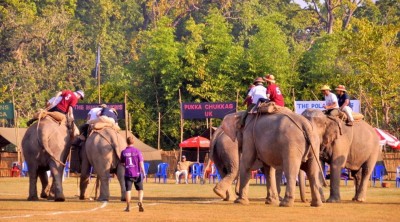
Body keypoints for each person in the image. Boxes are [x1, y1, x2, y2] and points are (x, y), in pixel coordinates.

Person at [120, 137, 146, 212]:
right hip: (137, 173)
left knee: (128, 190)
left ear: (126, 142)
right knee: (140, 190)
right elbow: (141, 163)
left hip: (128, 174)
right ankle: (140, 202)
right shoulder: (137, 151)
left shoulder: (123, 152)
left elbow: (122, 162)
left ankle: (128, 207)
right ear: (133, 142)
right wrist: (144, 172)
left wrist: (126, 166)